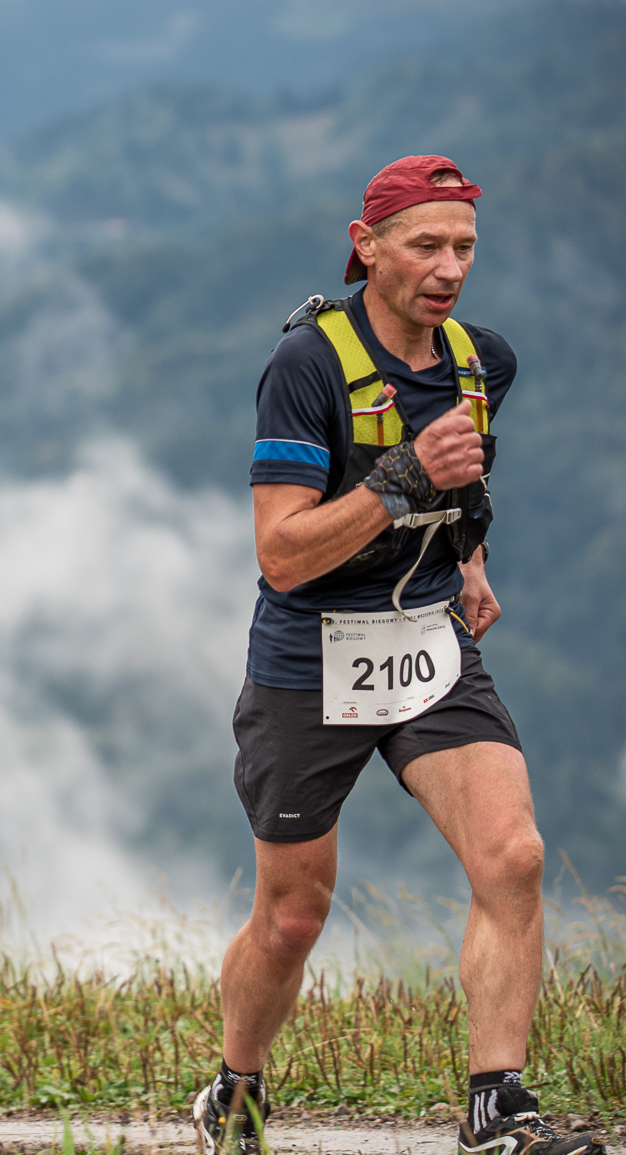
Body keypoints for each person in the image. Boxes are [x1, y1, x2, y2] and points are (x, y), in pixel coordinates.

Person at [196, 156, 603, 1155]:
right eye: (425, 245)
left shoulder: (481, 361)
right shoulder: (305, 367)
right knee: (292, 917)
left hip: (425, 639)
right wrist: (402, 476)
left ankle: (496, 1108)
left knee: (513, 857)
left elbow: (465, 479)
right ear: (366, 245)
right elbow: (281, 554)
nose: (448, 267)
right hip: (310, 655)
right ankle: (234, 1090)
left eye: (464, 246)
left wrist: (468, 556)